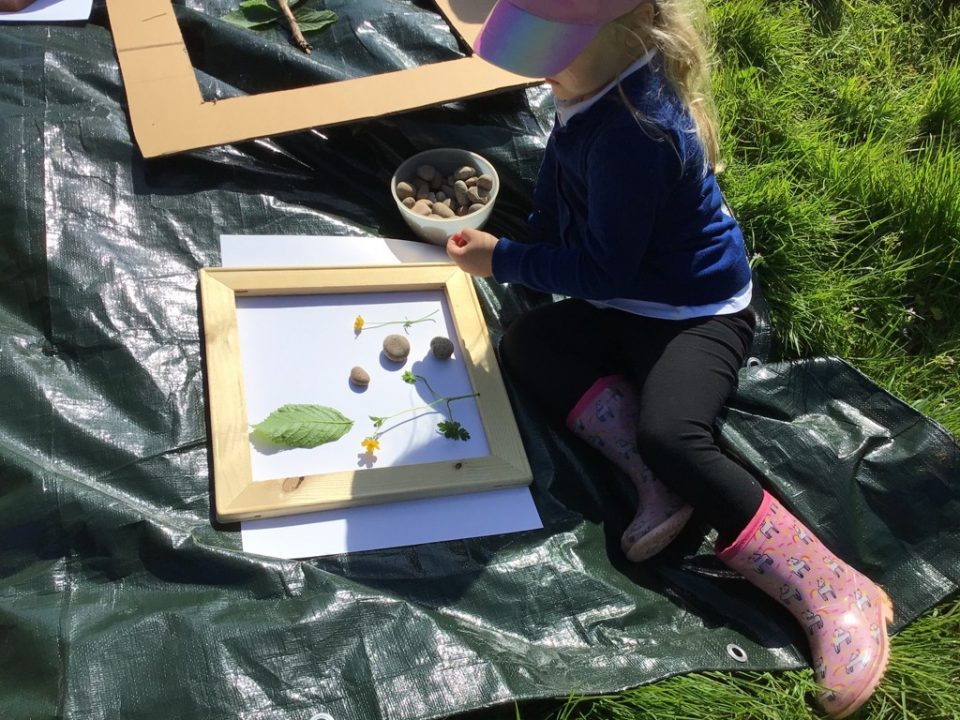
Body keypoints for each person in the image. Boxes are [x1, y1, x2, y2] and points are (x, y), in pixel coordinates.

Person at [445, 1, 893, 717]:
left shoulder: (637, 133)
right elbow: (565, 188)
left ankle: (833, 591)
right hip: (631, 297)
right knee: (528, 345)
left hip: (696, 313)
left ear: (620, 32)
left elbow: (605, 273)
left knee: (674, 434)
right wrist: (535, 240)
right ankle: (658, 480)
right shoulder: (590, 84)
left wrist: (508, 260)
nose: (541, 73)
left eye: (552, 52)